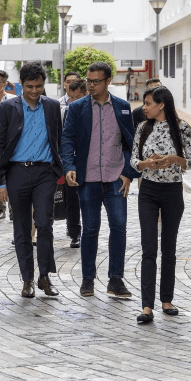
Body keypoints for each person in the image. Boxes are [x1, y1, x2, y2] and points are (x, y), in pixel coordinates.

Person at [61, 62, 140, 298]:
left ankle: (115, 280)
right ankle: (88, 279)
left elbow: (132, 144)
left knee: (119, 227)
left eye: (96, 81)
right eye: (89, 81)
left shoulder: (123, 108)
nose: (91, 85)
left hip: (116, 177)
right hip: (89, 178)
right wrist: (69, 166)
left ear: (108, 81)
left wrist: (128, 172)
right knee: (91, 229)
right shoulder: (77, 108)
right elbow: (67, 140)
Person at [0, 62, 63, 298]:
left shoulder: (52, 106)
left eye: (39, 86)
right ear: (21, 85)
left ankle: (45, 276)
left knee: (44, 223)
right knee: (21, 228)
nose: (35, 91)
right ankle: (27, 279)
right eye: (30, 86)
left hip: (44, 173)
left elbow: (58, 140)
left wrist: (57, 170)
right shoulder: (8, 108)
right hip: (17, 173)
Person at [131, 86, 191, 323]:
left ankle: (166, 300)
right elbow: (133, 160)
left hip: (172, 191)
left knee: (169, 248)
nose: (144, 107)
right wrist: (146, 164)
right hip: (147, 190)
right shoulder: (142, 127)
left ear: (161, 105)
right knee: (149, 247)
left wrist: (173, 160)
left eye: (148, 103)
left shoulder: (182, 128)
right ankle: (146, 306)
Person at [62, 79, 87, 248]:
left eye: (78, 97)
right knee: (71, 200)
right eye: (71, 98)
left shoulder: (91, 112)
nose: (74, 102)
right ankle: (74, 233)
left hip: (88, 162)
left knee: (87, 199)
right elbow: (63, 139)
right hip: (70, 162)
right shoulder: (65, 112)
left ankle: (89, 230)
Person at [0, 70, 16, 221]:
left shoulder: (13, 100)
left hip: (9, 143)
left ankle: (14, 209)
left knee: (12, 175)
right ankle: (1, 209)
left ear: (5, 84)